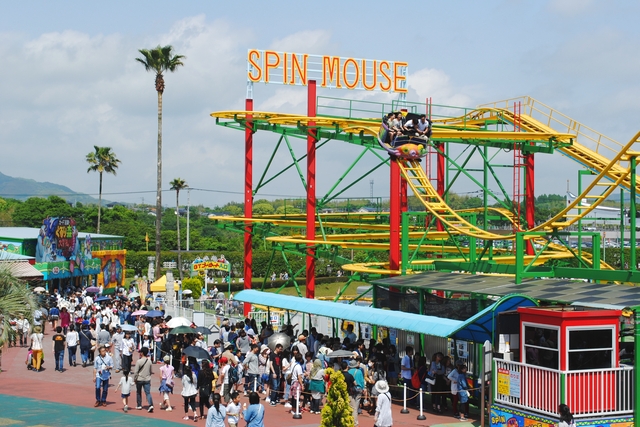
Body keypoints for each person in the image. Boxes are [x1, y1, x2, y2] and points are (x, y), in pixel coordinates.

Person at [132, 347, 154, 412]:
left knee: (138, 392)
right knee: (148, 393)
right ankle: (150, 405)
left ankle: (139, 405)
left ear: (141, 353)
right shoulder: (149, 361)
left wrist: (135, 379)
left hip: (139, 379)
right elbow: (151, 371)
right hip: (147, 379)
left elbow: (136, 372)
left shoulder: (139, 361)